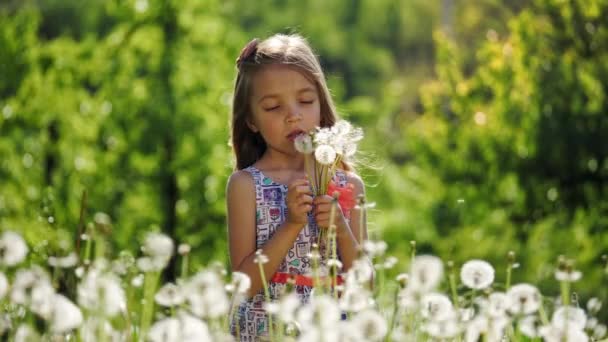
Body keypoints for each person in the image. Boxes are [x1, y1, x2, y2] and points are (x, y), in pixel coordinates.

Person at [226, 33, 368, 340]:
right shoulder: (246, 186)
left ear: (320, 104)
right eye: (273, 107)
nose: (293, 115)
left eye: (305, 101)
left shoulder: (347, 186)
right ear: (251, 119)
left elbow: (366, 284)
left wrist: (341, 228)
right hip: (268, 332)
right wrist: (291, 224)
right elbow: (243, 286)